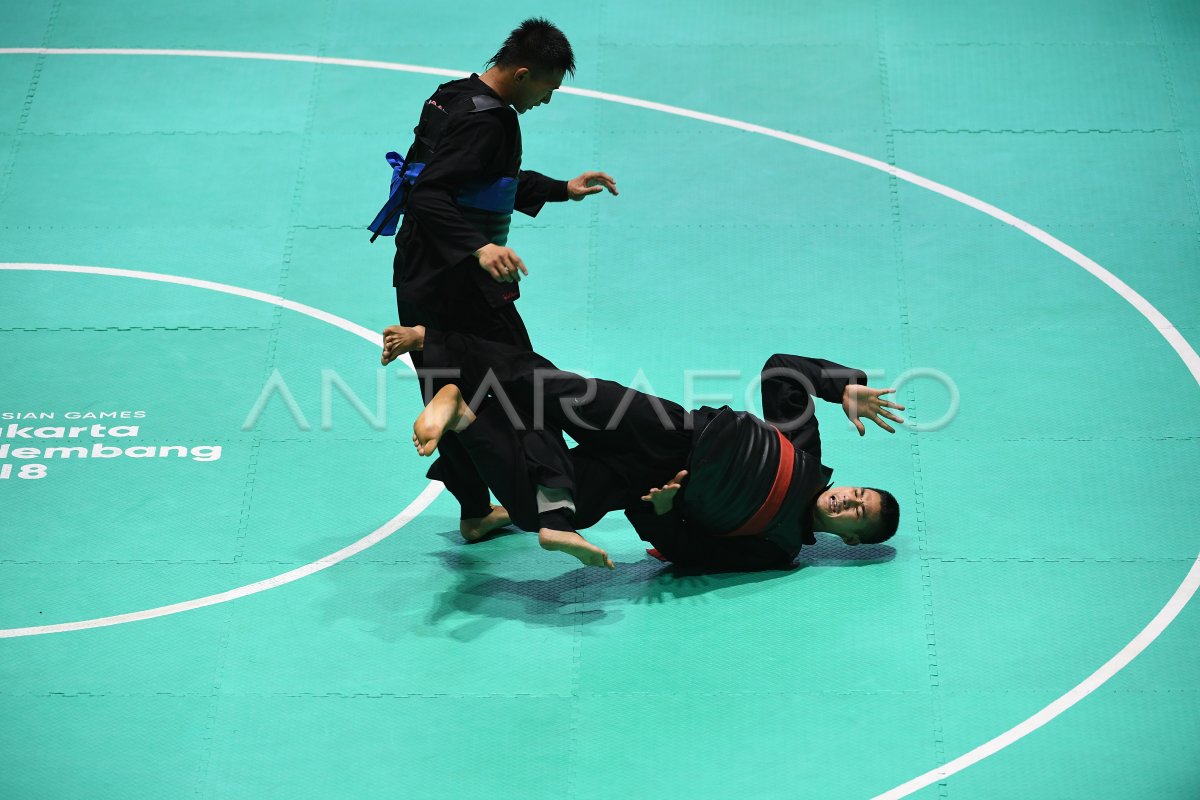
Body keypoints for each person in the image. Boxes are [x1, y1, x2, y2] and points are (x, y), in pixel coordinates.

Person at [380, 325, 903, 572]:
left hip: (646, 486)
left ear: (851, 541)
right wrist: (842, 386)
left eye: (859, 514)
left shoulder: (777, 550)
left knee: (551, 512)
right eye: (859, 493)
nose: (850, 501)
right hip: (668, 430)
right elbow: (781, 372)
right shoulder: (806, 454)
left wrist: (662, 514)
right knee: (550, 389)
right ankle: (440, 343)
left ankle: (465, 414)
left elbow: (691, 556)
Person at [378, 18, 618, 539]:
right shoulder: (493, 122)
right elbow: (428, 195)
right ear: (525, 72)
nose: (549, 100)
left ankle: (474, 512)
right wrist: (480, 247)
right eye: (549, 88)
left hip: (419, 271)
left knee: (446, 388)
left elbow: (480, 183)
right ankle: (549, 502)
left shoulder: (453, 96)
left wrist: (561, 188)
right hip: (458, 282)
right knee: (525, 381)